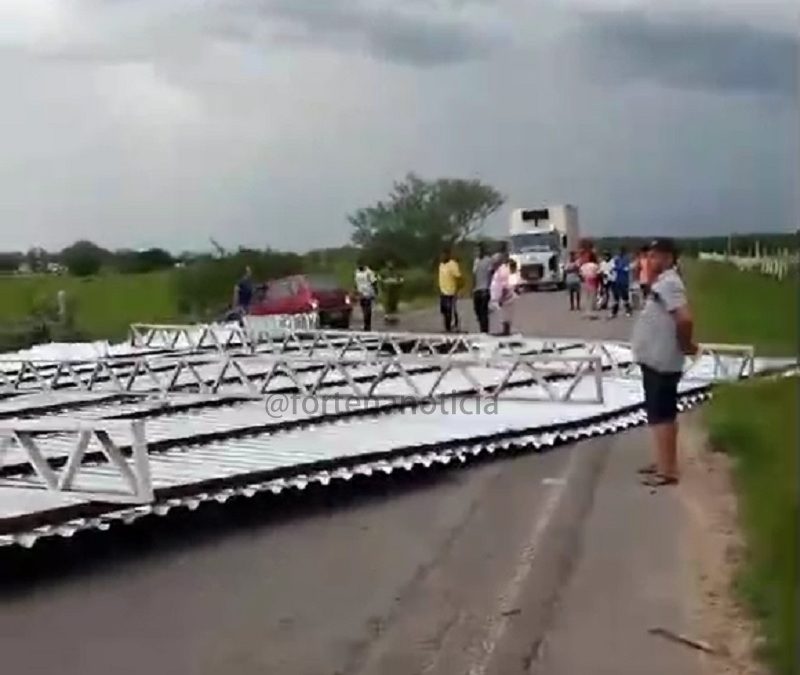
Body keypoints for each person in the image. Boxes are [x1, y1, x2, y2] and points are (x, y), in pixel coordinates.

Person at [631, 238, 697, 487]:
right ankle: (662, 462)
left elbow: (685, 320)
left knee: (662, 416)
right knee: (658, 415)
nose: (651, 259)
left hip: (662, 359)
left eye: (656, 255)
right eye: (649, 254)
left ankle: (668, 471)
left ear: (669, 258)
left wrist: (685, 345)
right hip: (654, 358)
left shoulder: (669, 283)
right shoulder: (663, 282)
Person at [490, 255, 518, 336]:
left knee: (505, 315)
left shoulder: (502, 271)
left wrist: (501, 298)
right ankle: (505, 331)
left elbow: (505, 286)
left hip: (504, 298)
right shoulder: (500, 270)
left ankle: (505, 332)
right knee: (504, 315)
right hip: (501, 297)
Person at [438, 248, 462, 333]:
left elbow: (459, 278)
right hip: (443, 292)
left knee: (451, 311)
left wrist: (458, 290)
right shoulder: (441, 265)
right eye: (442, 255)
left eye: (445, 255)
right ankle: (447, 328)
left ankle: (454, 327)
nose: (443, 257)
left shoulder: (453, 264)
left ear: (448, 255)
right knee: (444, 311)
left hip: (451, 292)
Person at [472, 243, 493, 333]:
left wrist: (491, 287)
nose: (477, 253)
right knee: (477, 311)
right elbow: (474, 274)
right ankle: (482, 328)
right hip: (477, 289)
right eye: (475, 251)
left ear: (482, 251)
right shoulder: (476, 261)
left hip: (485, 289)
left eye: (478, 251)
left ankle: (485, 331)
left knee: (483, 311)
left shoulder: (488, 260)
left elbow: (491, 273)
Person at [609, 247, 633, 318]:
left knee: (625, 297)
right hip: (616, 281)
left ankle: (628, 310)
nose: (620, 253)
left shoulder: (626, 260)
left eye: (621, 252)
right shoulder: (616, 259)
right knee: (616, 298)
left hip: (624, 281)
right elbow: (613, 268)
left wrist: (618, 268)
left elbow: (626, 269)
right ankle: (614, 312)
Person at [354, 261, 378, 331]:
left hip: (368, 293)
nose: (359, 266)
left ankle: (367, 325)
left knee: (367, 310)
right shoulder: (357, 272)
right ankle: (366, 324)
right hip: (361, 293)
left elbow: (374, 282)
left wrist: (376, 291)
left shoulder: (369, 272)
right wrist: (356, 291)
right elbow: (356, 283)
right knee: (364, 309)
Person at [579, 252, 600, 319]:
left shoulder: (584, 266)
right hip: (593, 282)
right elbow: (598, 273)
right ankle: (591, 313)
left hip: (586, 282)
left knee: (586, 298)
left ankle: (587, 312)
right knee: (592, 298)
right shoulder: (595, 265)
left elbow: (581, 274)